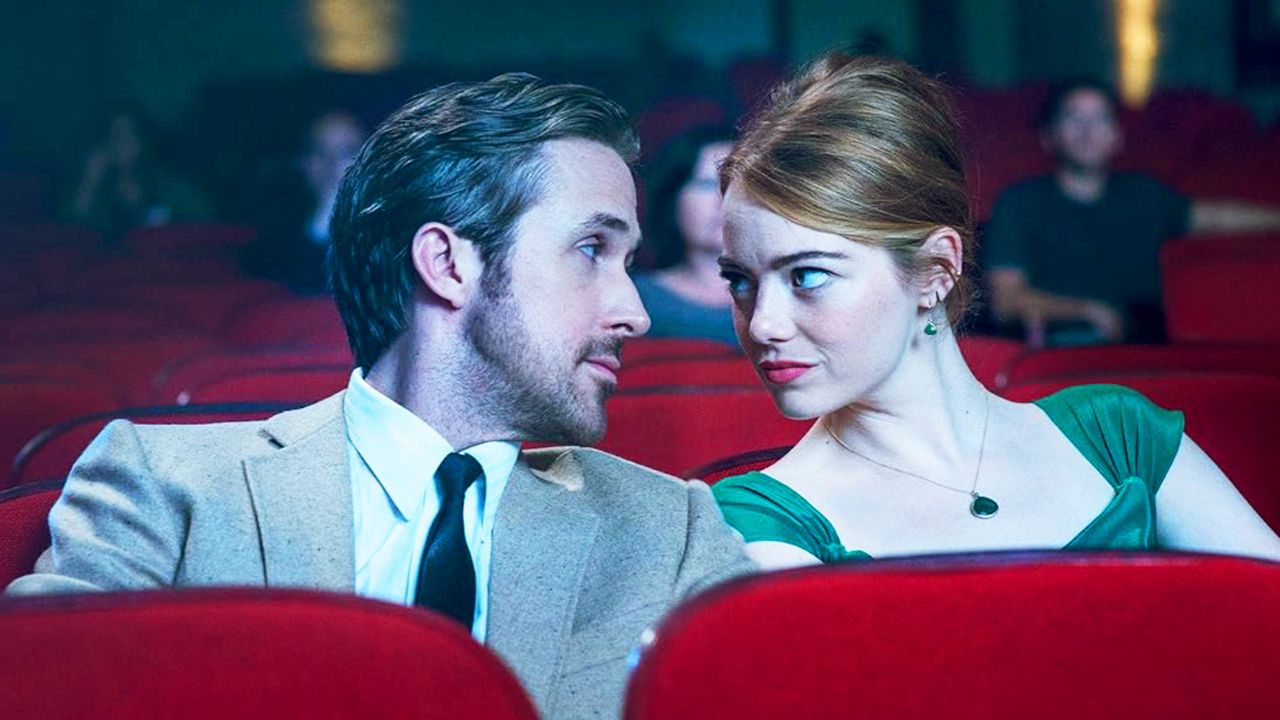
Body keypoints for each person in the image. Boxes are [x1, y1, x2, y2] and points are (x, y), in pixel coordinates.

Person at [9, 74, 754, 718]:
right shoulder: (165, 485)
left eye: (629, 261)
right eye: (591, 250)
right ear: (448, 265)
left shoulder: (672, 528)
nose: (635, 312)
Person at [708, 54, 1280, 570]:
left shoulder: (1119, 434)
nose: (761, 325)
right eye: (739, 281)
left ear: (936, 270)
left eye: (807, 276)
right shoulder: (757, 518)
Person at [985, 80, 1280, 345]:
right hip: (1059, 349)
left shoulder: (1143, 194)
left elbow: (1215, 217)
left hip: (1144, 348)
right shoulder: (1019, 203)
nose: (1088, 130)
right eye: (1073, 118)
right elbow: (1005, 300)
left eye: (1100, 118)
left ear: (1117, 137)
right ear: (1048, 136)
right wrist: (1088, 312)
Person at [633, 125, 738, 346]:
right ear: (673, 199)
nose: (723, 200)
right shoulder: (634, 299)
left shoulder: (785, 296)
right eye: (707, 184)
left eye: (738, 186)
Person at [241, 110, 368, 293]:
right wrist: (321, 222)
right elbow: (299, 292)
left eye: (346, 152)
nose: (331, 164)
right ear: (303, 162)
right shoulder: (275, 222)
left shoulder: (390, 223)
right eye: (320, 152)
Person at [71, 103, 208, 243]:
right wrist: (90, 181)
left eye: (127, 134)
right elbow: (75, 232)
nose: (120, 143)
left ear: (142, 140)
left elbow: (201, 221)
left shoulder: (165, 183)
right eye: (114, 135)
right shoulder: (100, 190)